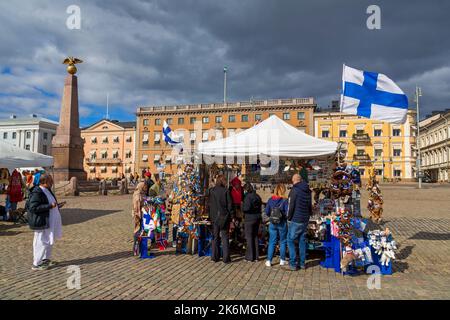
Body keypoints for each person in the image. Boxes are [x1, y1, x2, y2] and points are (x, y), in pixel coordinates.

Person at [27, 174, 64, 270]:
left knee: (48, 241)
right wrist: (49, 206)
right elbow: (33, 207)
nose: (52, 183)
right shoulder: (37, 192)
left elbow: (50, 203)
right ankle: (36, 263)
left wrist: (56, 206)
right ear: (45, 182)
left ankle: (45, 259)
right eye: (51, 181)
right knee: (41, 242)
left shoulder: (47, 190)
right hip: (42, 221)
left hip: (49, 221)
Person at [287, 173, 312, 271]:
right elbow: (309, 205)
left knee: (290, 240)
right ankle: (302, 263)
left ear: (293, 181)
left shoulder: (294, 190)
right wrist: (308, 215)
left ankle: (293, 264)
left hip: (296, 219)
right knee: (302, 241)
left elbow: (291, 206)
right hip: (305, 218)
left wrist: (288, 217)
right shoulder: (308, 190)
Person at [208, 175, 233, 263]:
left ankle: (215, 257)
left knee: (215, 237)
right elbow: (230, 205)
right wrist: (232, 217)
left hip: (214, 217)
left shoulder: (212, 191)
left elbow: (210, 204)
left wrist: (209, 216)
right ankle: (226, 258)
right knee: (225, 237)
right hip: (224, 217)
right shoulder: (226, 191)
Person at [264, 184, 289, 267]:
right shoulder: (285, 200)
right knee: (283, 241)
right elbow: (287, 213)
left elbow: (267, 212)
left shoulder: (270, 199)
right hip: (282, 223)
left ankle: (269, 260)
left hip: (272, 223)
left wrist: (272, 216)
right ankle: (282, 259)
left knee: (272, 242)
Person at [242, 182, 262, 262]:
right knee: (255, 236)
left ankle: (250, 257)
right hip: (257, 217)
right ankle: (256, 256)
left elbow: (246, 208)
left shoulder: (248, 197)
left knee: (249, 237)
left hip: (249, 218)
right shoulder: (257, 196)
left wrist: (242, 206)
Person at [132, 181, 148, 255]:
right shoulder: (137, 195)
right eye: (145, 186)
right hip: (138, 215)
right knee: (137, 230)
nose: (146, 188)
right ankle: (136, 249)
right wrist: (138, 215)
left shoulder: (142, 193)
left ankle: (140, 248)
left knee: (141, 231)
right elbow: (136, 207)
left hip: (142, 214)